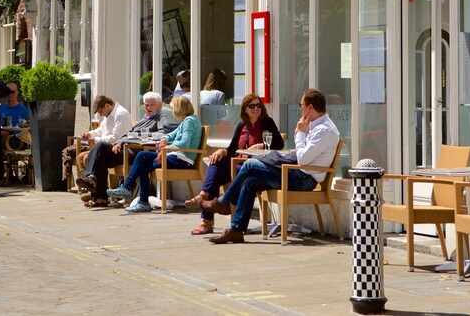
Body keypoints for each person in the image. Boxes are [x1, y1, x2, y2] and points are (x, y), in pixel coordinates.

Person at [201, 88, 339, 244]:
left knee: (251, 164)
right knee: (249, 182)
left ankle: (223, 203)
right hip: (297, 173)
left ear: (310, 107)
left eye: (301, 105)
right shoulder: (315, 126)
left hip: (303, 179)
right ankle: (236, 230)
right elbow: (304, 155)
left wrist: (300, 134)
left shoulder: (324, 130)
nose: (300, 108)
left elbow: (303, 158)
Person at [187, 93, 283, 235]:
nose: (256, 108)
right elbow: (232, 149)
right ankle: (206, 198)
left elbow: (279, 143)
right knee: (216, 161)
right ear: (245, 109)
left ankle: (206, 217)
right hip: (236, 163)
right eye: (252, 106)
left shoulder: (267, 122)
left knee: (215, 174)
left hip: (251, 167)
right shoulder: (242, 125)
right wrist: (221, 151)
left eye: (258, 105)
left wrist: (260, 146)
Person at [76, 92, 177, 207]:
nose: (147, 107)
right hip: (126, 149)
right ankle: (99, 196)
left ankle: (93, 180)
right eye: (145, 105)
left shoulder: (160, 117)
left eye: (151, 105)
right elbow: (128, 134)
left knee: (101, 146)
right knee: (99, 155)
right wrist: (119, 142)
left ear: (159, 105)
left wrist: (143, 136)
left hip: (135, 152)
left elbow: (164, 133)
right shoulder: (145, 119)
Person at [106, 94, 202, 213]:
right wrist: (164, 139)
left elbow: (184, 144)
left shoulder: (189, 122)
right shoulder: (187, 121)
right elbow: (172, 134)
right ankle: (134, 194)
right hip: (176, 156)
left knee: (142, 160)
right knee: (142, 157)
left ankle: (134, 194)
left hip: (183, 160)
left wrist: (166, 148)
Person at [62, 94, 133, 191]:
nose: (100, 114)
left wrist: (95, 140)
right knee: (81, 157)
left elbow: (116, 138)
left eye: (100, 111)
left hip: (121, 150)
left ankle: (93, 181)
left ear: (107, 106)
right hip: (109, 149)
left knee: (97, 152)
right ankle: (93, 189)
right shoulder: (109, 115)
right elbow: (100, 130)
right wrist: (89, 134)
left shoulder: (120, 114)